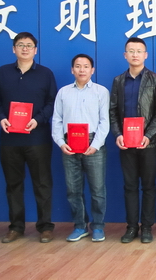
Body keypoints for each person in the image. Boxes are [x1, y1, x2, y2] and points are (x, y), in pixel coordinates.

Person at [0, 32, 57, 243]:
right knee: (13, 185)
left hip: (38, 139)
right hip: (10, 139)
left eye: (28, 45)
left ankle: (45, 227)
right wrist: (1, 118)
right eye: (20, 45)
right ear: (13, 49)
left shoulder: (45, 74)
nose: (24, 49)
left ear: (35, 50)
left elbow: (52, 102)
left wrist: (38, 119)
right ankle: (16, 227)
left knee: (42, 184)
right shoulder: (3, 72)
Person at [110, 37, 156, 244]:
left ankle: (147, 227)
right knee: (130, 186)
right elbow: (112, 111)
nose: (135, 54)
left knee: (149, 186)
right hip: (125, 143)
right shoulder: (118, 81)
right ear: (125, 55)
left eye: (139, 51)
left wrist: (148, 135)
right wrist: (118, 134)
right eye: (131, 51)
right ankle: (132, 226)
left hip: (148, 143)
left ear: (145, 55)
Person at [52, 54, 109, 243]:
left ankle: (98, 226)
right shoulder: (63, 92)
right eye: (78, 66)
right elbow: (57, 120)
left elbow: (104, 122)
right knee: (73, 189)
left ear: (92, 70)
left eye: (86, 66)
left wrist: (95, 145)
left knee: (97, 189)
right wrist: (61, 142)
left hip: (94, 144)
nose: (82, 69)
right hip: (69, 144)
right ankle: (80, 226)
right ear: (72, 70)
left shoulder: (101, 92)